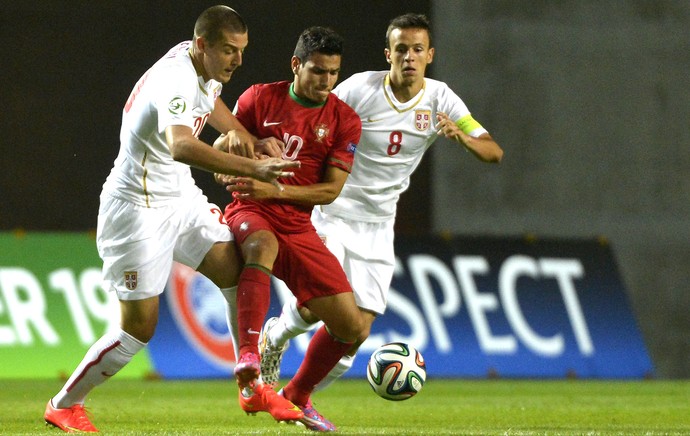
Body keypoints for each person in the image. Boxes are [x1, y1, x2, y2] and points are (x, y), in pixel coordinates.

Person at [43, 6, 301, 433]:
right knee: (138, 329)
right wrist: (252, 168)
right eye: (227, 50)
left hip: (178, 195)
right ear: (202, 45)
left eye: (241, 50)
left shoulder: (200, 64)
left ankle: (251, 383)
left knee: (236, 272)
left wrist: (250, 139)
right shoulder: (174, 77)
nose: (236, 59)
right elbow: (181, 145)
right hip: (137, 207)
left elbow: (209, 101)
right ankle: (64, 403)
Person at [259, 13, 503, 391]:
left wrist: (464, 137)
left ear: (430, 55)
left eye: (417, 49)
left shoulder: (441, 99)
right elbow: (312, 114)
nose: (409, 57)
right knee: (316, 306)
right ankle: (275, 337)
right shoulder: (360, 89)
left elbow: (493, 152)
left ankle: (296, 396)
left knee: (358, 331)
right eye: (401, 49)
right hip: (334, 213)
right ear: (387, 53)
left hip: (379, 222)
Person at [217, 26, 363, 432]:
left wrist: (277, 187)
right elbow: (220, 155)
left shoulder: (344, 119)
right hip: (251, 209)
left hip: (298, 226)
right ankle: (249, 357)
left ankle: (297, 394)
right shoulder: (258, 98)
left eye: (333, 73)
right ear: (296, 65)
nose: (326, 81)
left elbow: (331, 191)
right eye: (318, 71)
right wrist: (230, 170)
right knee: (262, 245)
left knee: (352, 328)